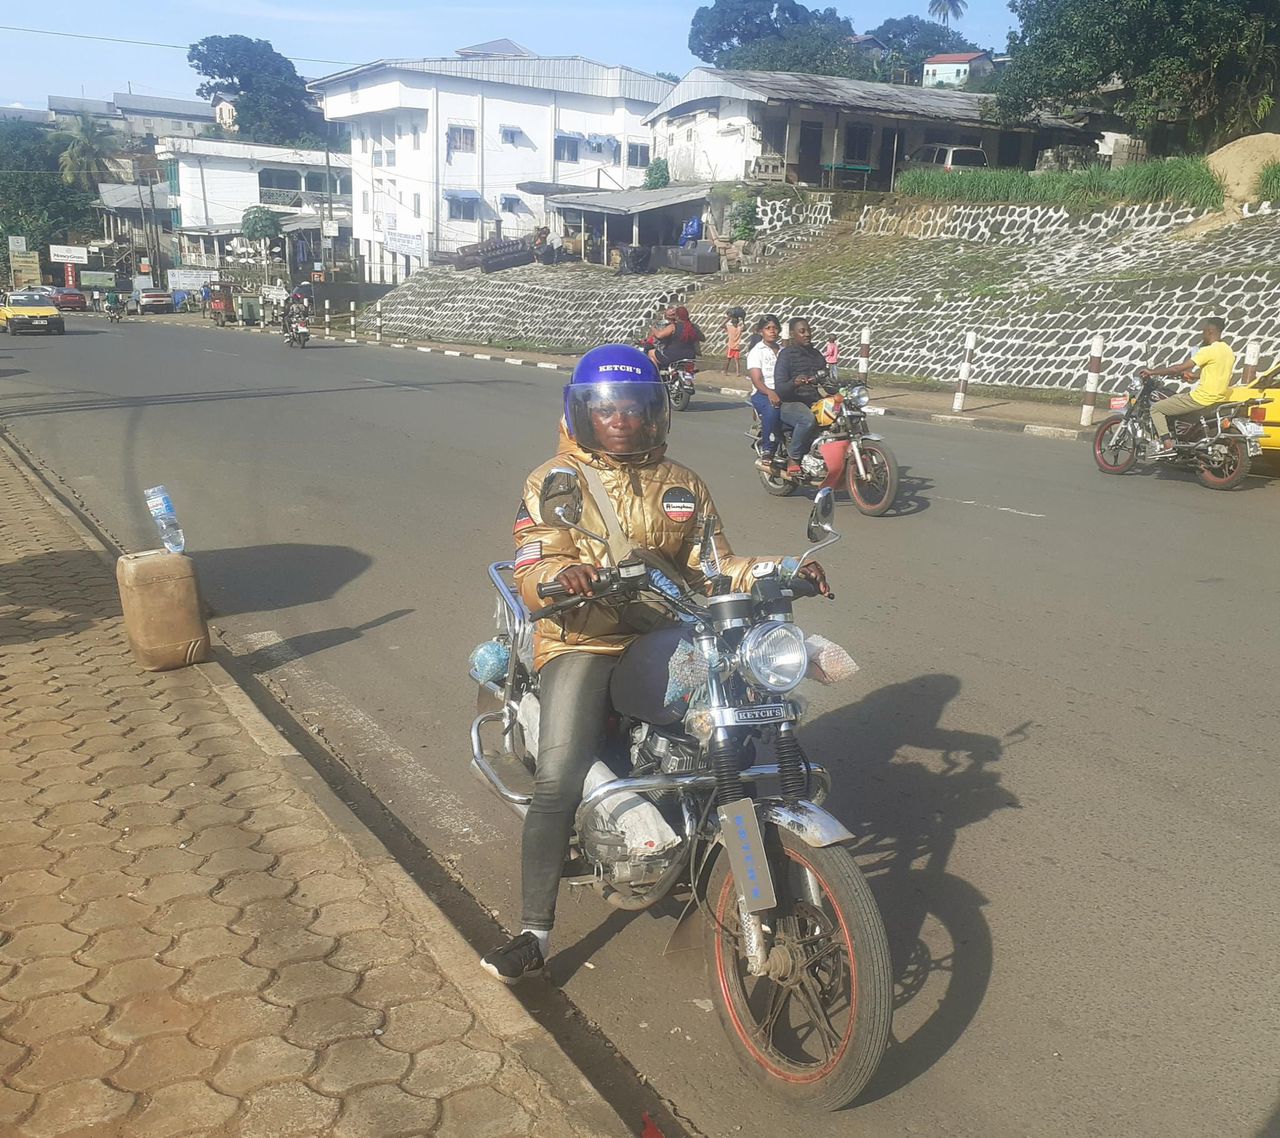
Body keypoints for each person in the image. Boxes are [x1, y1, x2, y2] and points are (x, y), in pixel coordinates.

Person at [481, 345, 831, 983]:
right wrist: (566, 576)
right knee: (559, 775)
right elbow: (534, 566)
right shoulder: (554, 482)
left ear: (656, 413)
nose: (621, 420)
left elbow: (713, 564)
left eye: (635, 408)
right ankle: (532, 929)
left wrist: (781, 569)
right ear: (582, 414)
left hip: (661, 631)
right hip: (579, 641)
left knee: (729, 703)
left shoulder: (682, 483)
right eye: (607, 410)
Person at [1141, 317, 1236, 453]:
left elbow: (1177, 368)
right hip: (1218, 399)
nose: (1202, 334)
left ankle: (1168, 445)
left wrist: (1152, 372)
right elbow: (1217, 372)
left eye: (1203, 331)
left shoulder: (1208, 350)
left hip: (1201, 398)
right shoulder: (1228, 351)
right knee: (1176, 399)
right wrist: (1195, 376)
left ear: (1210, 331)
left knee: (1156, 409)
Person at [773, 317, 828, 478]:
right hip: (790, 402)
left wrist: (837, 386)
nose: (807, 335)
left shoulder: (816, 355)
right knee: (807, 419)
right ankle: (793, 458)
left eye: (808, 331)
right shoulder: (786, 355)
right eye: (802, 331)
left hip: (813, 399)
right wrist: (794, 383)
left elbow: (827, 380)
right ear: (792, 334)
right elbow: (780, 388)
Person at [747, 317, 783, 471]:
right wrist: (770, 392)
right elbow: (757, 380)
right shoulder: (756, 352)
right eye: (768, 328)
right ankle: (768, 449)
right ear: (761, 331)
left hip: (783, 390)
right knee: (773, 410)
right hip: (763, 393)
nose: (772, 331)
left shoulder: (783, 351)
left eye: (775, 328)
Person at [646, 305, 702, 371]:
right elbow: (702, 338)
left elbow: (659, 335)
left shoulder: (673, 327)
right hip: (690, 357)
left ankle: (657, 375)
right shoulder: (694, 327)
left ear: (677, 316)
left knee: (651, 353)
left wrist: (652, 327)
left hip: (673, 356)